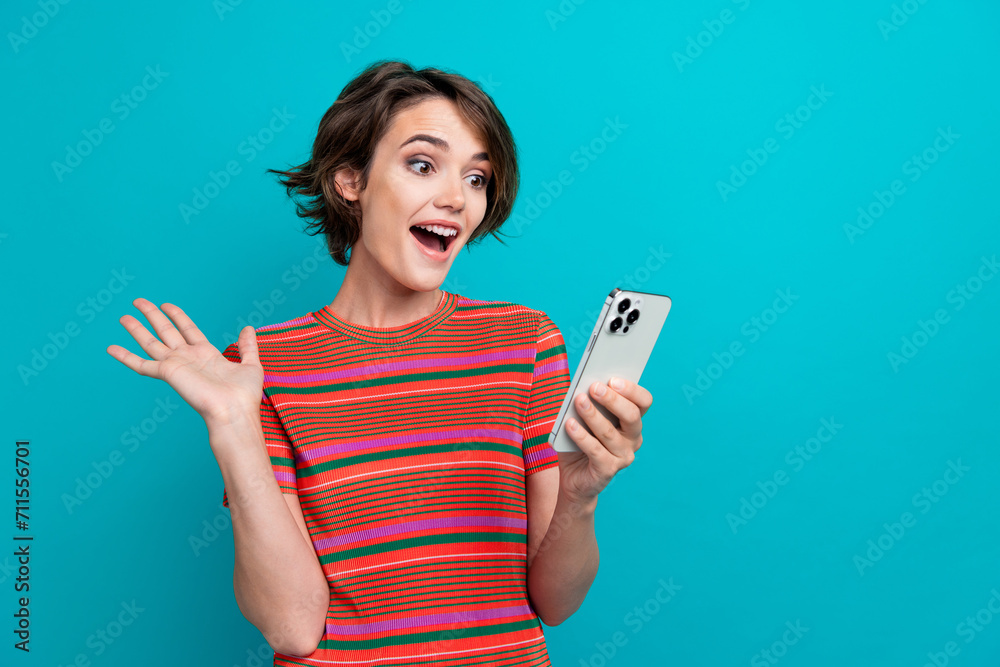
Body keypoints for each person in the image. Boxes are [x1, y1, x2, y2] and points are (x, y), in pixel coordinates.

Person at [106, 60, 653, 666]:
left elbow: (555, 602)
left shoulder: (524, 342)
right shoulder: (264, 368)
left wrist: (579, 498)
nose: (455, 198)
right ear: (350, 180)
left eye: (477, 178)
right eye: (423, 165)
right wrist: (234, 427)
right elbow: (292, 627)